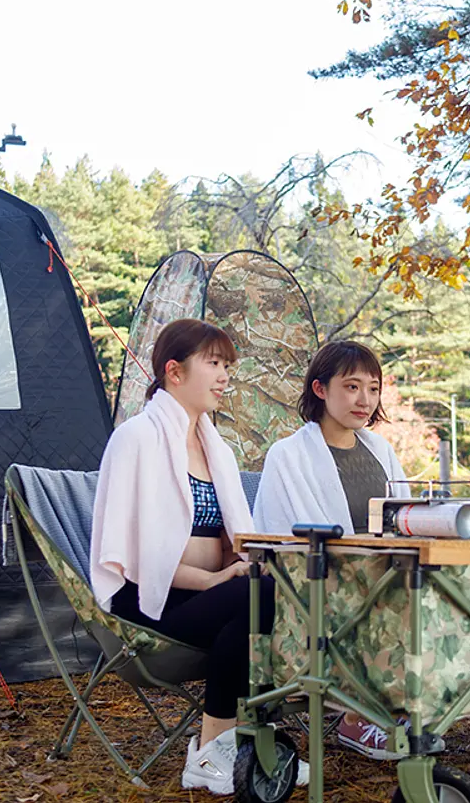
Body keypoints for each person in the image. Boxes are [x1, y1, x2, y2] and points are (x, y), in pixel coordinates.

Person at [89, 318, 308, 795]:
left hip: (209, 599)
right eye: (214, 363)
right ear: (174, 371)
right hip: (148, 600)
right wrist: (211, 582)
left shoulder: (217, 448)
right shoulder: (136, 440)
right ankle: (214, 748)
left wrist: (250, 561)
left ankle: (238, 743)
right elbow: (127, 556)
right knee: (256, 595)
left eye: (228, 365)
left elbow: (236, 536)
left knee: (278, 590)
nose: (226, 376)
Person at [254, 340, 408, 759]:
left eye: (373, 389)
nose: (365, 400)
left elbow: (407, 518)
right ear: (320, 389)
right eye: (353, 386)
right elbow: (284, 536)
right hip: (322, 580)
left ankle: (403, 709)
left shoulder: (382, 451)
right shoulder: (287, 455)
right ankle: (358, 721)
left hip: (388, 569)